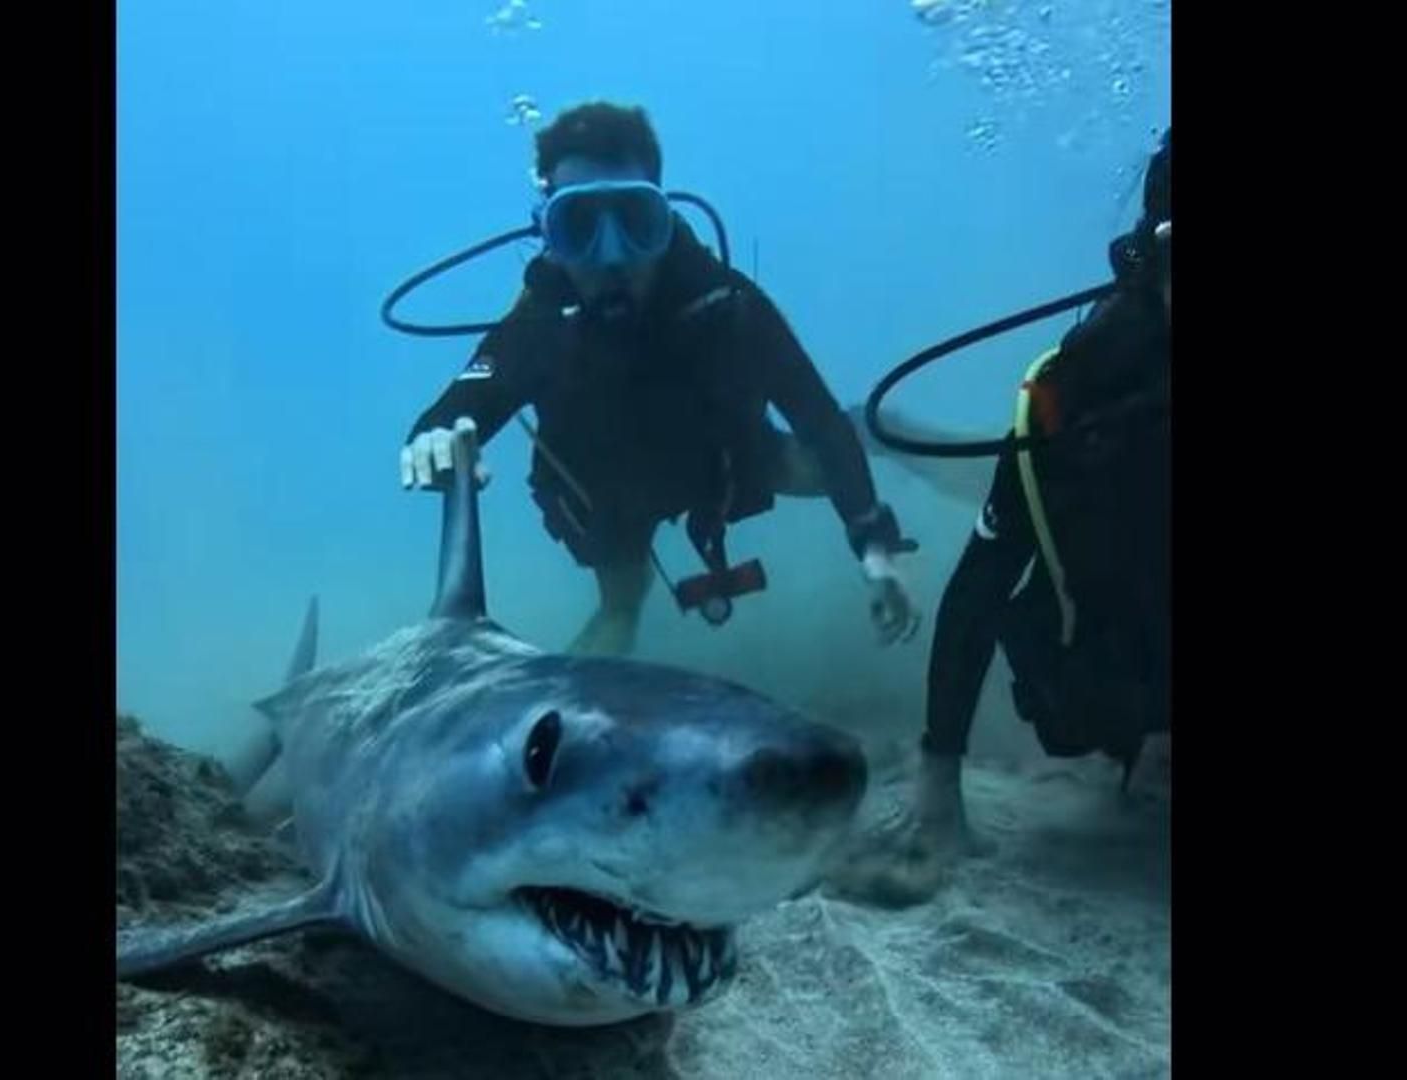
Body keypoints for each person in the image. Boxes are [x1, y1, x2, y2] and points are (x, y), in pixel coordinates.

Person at [399, 102, 920, 656]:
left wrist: (875, 547)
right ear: (548, 233)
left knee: (834, 455)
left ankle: (884, 431)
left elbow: (815, 417)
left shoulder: (727, 306)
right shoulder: (540, 326)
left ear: (663, 219)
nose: (612, 256)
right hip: (610, 493)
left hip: (725, 461)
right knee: (621, 605)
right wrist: (435, 439)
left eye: (633, 221)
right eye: (579, 228)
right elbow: (462, 406)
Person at [837, 130, 1171, 905]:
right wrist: (938, 782)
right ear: (1151, 259)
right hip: (1123, 635)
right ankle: (911, 445)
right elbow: (983, 581)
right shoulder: (1085, 384)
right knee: (1030, 498)